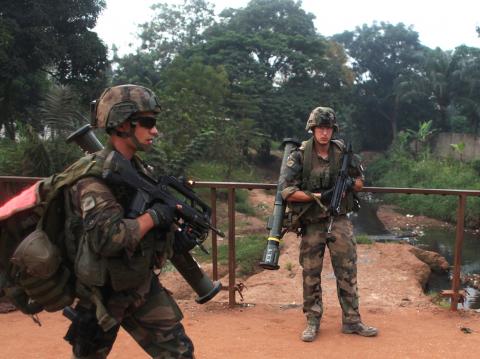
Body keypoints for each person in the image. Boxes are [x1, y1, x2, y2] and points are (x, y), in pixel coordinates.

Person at [63, 84, 195, 358]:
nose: (155, 131)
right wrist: (155, 216)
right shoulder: (94, 178)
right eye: (148, 123)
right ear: (123, 125)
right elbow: (107, 238)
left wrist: (171, 231)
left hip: (139, 283)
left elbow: (148, 218)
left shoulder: (138, 169)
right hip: (103, 293)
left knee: (179, 353)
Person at [279, 106, 378, 342]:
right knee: (311, 273)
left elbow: (361, 181)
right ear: (312, 129)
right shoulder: (300, 155)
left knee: (347, 270)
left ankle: (352, 321)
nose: (324, 133)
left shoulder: (342, 152)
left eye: (328, 128)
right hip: (312, 222)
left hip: (340, 221)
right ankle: (313, 321)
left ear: (333, 130)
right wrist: (318, 197)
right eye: (320, 128)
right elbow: (287, 191)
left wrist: (347, 186)